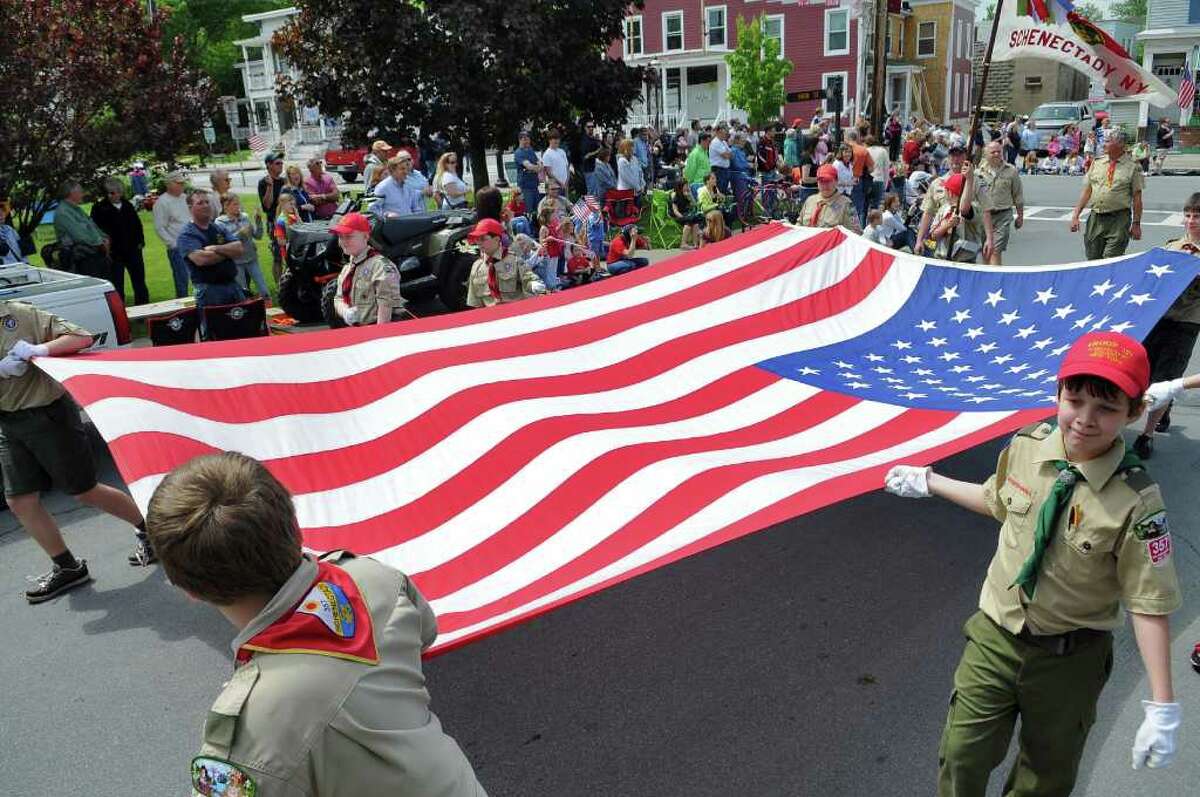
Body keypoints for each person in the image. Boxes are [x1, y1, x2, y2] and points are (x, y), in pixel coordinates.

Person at [884, 331, 1182, 795]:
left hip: (1070, 660)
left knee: (1044, 777)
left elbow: (1149, 601)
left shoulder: (1137, 501)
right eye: (1075, 399)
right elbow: (997, 500)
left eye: (1106, 408)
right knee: (962, 754)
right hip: (995, 639)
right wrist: (930, 481)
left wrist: (1162, 704)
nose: (1084, 419)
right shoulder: (1027, 446)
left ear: (1135, 411)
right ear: (1058, 392)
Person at [143, 452, 487, 796]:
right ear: (295, 526)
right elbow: (425, 632)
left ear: (188, 590)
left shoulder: (251, 730)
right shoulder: (372, 577)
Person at [0, 300, 153, 604]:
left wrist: (40, 350)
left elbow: (81, 337)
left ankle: (153, 534)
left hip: (47, 415)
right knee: (20, 500)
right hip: (8, 421)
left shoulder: (19, 314)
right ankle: (67, 566)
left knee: (84, 491)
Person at [1132, 191, 1200, 459]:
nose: (1191, 221)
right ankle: (1164, 408)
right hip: (1159, 317)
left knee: (1167, 376)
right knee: (1145, 370)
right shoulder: (1171, 247)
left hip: (1187, 320)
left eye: (1197, 216)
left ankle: (1146, 434)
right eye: (1188, 215)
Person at [176, 188, 246, 325]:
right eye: (200, 203)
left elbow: (239, 249)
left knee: (243, 328)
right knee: (215, 333)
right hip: (209, 291)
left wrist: (216, 248)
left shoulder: (217, 228)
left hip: (233, 286)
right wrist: (227, 253)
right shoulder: (187, 235)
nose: (206, 206)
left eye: (207, 202)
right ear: (190, 208)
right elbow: (202, 259)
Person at [1070, 129, 1143, 260]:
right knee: (1093, 259)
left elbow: (1137, 198)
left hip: (1119, 220)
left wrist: (1136, 224)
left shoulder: (1133, 167)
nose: (1103, 144)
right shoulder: (1097, 163)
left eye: (1108, 141)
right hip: (1096, 218)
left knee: (1111, 259)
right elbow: (1087, 191)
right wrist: (1075, 215)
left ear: (1120, 144)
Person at [329, 212, 405, 327]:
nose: (343, 242)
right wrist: (345, 311)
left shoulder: (380, 266)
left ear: (365, 236)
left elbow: (386, 305)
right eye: (340, 237)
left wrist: (379, 336)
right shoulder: (347, 269)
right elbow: (338, 298)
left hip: (380, 329)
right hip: (360, 330)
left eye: (349, 236)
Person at [89, 177, 149, 305]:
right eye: (109, 193)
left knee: (139, 281)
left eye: (115, 192)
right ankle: (119, 311)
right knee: (117, 284)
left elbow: (137, 225)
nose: (112, 196)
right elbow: (95, 229)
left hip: (133, 250)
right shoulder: (99, 208)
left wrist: (140, 242)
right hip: (114, 252)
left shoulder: (127, 205)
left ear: (120, 192)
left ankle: (144, 308)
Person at [464, 218, 545, 308]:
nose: (479, 243)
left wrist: (534, 284)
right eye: (477, 239)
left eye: (483, 239)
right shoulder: (476, 267)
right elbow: (475, 303)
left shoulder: (514, 260)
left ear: (497, 239)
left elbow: (528, 278)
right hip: (492, 317)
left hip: (514, 313)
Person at [975, 140, 1024, 265]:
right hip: (983, 216)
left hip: (1003, 215)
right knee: (985, 250)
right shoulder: (978, 172)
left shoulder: (1011, 171)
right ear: (986, 154)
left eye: (999, 152)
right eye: (993, 152)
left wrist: (1020, 216)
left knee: (996, 250)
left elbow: (1017, 195)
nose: (996, 154)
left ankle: (995, 280)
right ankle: (986, 277)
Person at [931, 170, 995, 263]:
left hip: (965, 261)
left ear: (950, 192)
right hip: (942, 259)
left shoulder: (973, 208)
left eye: (946, 189)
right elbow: (933, 236)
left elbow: (964, 209)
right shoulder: (943, 210)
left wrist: (969, 180)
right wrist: (946, 226)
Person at [216, 193, 270, 301]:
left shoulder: (244, 217)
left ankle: (269, 310)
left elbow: (258, 236)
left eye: (239, 204)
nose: (238, 207)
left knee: (263, 289)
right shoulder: (219, 222)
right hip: (235, 261)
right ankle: (247, 311)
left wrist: (258, 221)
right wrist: (240, 233)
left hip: (251, 257)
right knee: (242, 291)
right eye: (235, 204)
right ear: (226, 206)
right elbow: (222, 244)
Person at [53, 181, 109, 279]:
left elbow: (92, 227)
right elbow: (79, 236)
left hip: (93, 255)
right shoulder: (63, 213)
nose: (83, 194)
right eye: (80, 192)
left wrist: (105, 238)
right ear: (72, 194)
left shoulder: (76, 209)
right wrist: (101, 243)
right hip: (82, 260)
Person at [152, 171, 191, 298]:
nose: (182, 186)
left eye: (182, 183)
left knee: (199, 278)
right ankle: (183, 310)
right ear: (169, 184)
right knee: (182, 280)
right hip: (177, 248)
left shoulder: (185, 198)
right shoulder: (162, 202)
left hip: (193, 244)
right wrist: (173, 244)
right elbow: (159, 228)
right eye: (178, 183)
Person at [800, 164, 860, 233]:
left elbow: (857, 232)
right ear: (817, 183)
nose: (825, 185)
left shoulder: (847, 204)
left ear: (836, 181)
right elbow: (799, 224)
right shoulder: (810, 201)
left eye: (828, 181)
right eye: (821, 181)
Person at [258, 153, 287, 286]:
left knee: (289, 254)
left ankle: (288, 282)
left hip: (287, 221)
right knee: (277, 256)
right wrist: (270, 187)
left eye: (281, 163)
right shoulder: (264, 182)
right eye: (277, 163)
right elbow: (267, 206)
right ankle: (279, 286)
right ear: (269, 165)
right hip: (274, 224)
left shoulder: (284, 181)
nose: (281, 165)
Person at [514, 131, 543, 223]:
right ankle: (529, 231)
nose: (527, 141)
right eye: (524, 139)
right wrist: (535, 168)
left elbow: (540, 164)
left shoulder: (530, 150)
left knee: (538, 210)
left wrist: (535, 168)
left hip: (534, 185)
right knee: (528, 211)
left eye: (528, 139)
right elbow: (528, 166)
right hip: (525, 187)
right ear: (520, 140)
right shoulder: (519, 153)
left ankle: (536, 231)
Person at [669, 179, 704, 250]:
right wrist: (682, 217)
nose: (687, 187)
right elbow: (675, 210)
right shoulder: (675, 195)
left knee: (695, 223)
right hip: (678, 215)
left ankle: (695, 243)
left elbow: (694, 204)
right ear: (680, 186)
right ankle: (683, 244)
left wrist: (690, 195)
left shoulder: (687, 194)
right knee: (688, 222)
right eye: (686, 185)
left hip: (687, 214)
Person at [541, 128, 571, 197]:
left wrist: (566, 182)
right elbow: (549, 173)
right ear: (549, 140)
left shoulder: (562, 151)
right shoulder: (547, 154)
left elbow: (567, 168)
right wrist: (560, 183)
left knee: (565, 205)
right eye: (554, 139)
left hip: (565, 185)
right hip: (555, 187)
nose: (557, 141)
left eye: (558, 139)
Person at [866, 133, 889, 214]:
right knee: (876, 206)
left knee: (865, 207)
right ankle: (873, 225)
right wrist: (885, 184)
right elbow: (886, 169)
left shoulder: (866, 151)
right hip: (879, 179)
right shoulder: (883, 151)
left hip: (867, 180)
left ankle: (863, 225)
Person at [580, 120, 603, 198]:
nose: (591, 128)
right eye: (589, 127)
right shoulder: (584, 140)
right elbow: (586, 156)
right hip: (589, 169)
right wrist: (598, 150)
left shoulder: (593, 139)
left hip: (595, 168)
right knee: (591, 192)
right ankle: (586, 210)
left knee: (596, 192)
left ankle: (593, 209)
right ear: (585, 128)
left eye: (592, 127)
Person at [709, 125, 733, 194]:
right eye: (724, 134)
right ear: (719, 133)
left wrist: (728, 154)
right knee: (719, 190)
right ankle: (719, 204)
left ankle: (722, 203)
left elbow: (731, 154)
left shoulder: (724, 142)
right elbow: (726, 155)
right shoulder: (715, 142)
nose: (726, 135)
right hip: (718, 170)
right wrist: (728, 154)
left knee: (724, 190)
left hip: (725, 170)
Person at [0, 200, 22, 265]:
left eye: (2, 212)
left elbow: (22, 250)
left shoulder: (10, 230)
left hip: (19, 267)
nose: (1, 215)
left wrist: (26, 263)